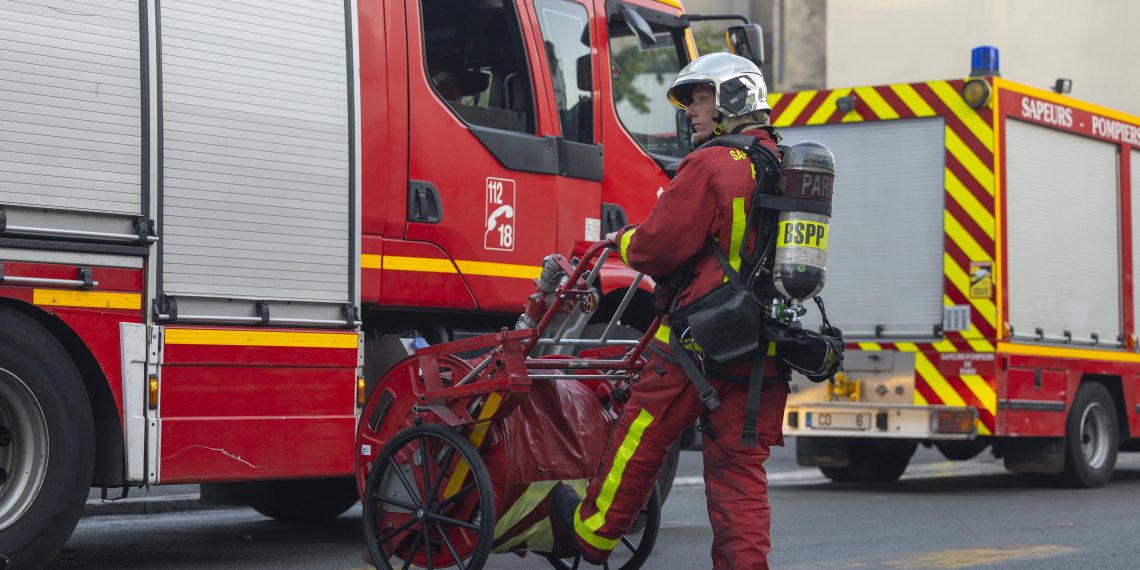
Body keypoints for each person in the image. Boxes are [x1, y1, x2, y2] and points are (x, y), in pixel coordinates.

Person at [550, 53, 842, 569]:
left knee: (641, 433)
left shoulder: (712, 163)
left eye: (702, 99)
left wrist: (623, 241)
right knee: (739, 472)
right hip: (764, 343)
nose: (692, 112)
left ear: (733, 100)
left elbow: (657, 246)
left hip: (697, 337)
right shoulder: (782, 163)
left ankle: (593, 534)